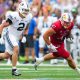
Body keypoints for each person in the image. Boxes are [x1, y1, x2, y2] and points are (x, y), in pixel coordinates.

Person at [0, 1, 32, 76]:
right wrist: (1, 36)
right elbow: (2, 25)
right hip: (9, 34)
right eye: (24, 10)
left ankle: (14, 68)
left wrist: (24, 36)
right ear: (20, 9)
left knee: (6, 55)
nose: (26, 12)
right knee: (16, 48)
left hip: (16, 37)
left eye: (27, 10)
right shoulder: (14, 16)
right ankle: (14, 70)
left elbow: (26, 27)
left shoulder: (29, 16)